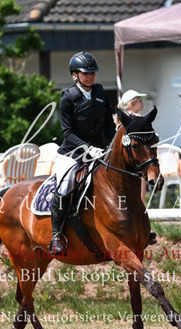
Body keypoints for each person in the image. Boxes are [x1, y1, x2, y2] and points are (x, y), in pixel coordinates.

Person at [49, 52, 116, 256]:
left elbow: (109, 125)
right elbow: (68, 133)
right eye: (86, 73)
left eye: (92, 73)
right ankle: (56, 235)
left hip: (101, 150)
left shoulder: (100, 92)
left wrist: (112, 146)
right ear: (75, 75)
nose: (90, 76)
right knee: (66, 184)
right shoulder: (68, 97)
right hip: (73, 152)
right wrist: (88, 149)